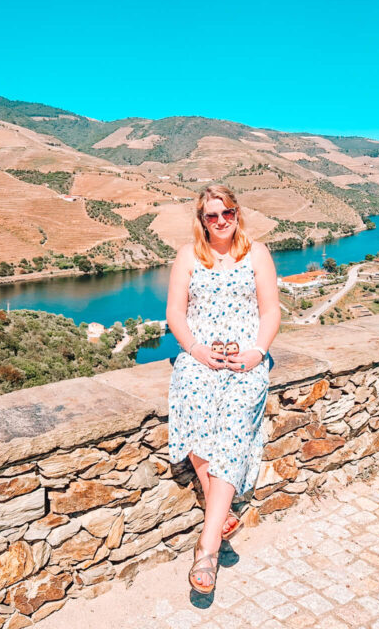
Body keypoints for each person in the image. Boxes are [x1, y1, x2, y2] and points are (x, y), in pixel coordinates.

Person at [165, 184, 280, 593]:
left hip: (244, 357)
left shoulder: (257, 254)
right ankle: (223, 511)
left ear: (237, 213)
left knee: (233, 421)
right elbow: (175, 313)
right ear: (202, 220)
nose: (220, 221)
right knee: (192, 404)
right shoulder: (188, 256)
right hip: (201, 356)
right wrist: (195, 350)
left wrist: (257, 352)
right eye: (211, 216)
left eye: (226, 213)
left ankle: (207, 547)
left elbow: (270, 311)